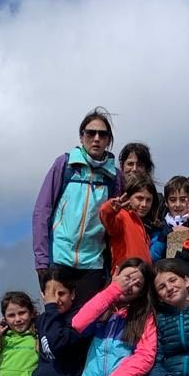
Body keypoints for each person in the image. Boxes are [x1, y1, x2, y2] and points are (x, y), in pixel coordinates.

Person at [33, 108, 122, 308]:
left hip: (93, 264)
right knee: (55, 324)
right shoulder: (65, 165)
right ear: (82, 137)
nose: (96, 138)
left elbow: (115, 226)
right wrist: (41, 260)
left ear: (109, 140)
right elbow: (42, 211)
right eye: (90, 133)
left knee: (84, 329)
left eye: (103, 134)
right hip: (59, 258)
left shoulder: (114, 177)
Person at [98, 174, 157, 265]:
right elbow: (105, 215)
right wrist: (111, 208)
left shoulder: (145, 224)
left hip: (141, 276)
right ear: (128, 197)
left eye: (148, 200)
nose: (144, 204)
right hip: (124, 275)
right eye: (140, 198)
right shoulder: (121, 217)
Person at [151, 176, 189, 259]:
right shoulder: (159, 227)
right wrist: (167, 233)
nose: (178, 204)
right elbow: (153, 256)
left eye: (183, 200)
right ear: (166, 202)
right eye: (172, 200)